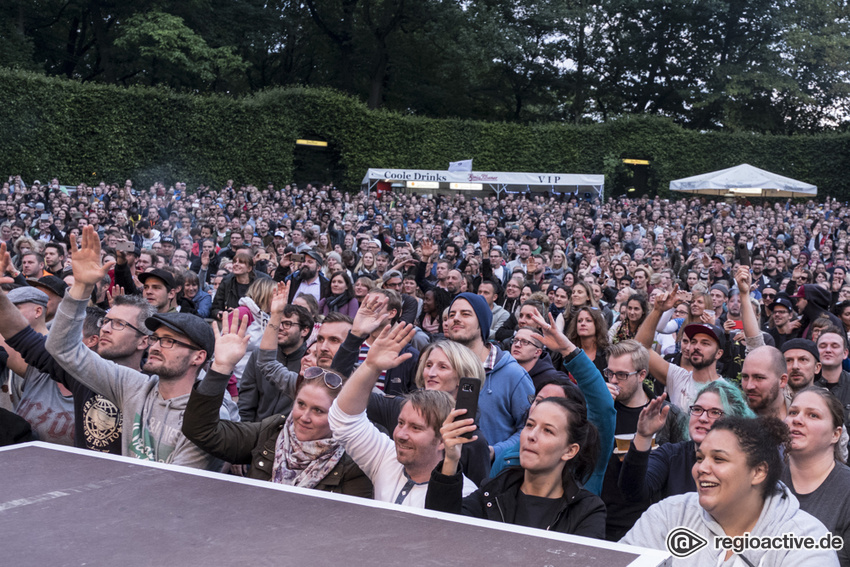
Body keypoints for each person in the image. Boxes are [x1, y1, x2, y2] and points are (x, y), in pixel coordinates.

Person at [45, 226, 224, 469]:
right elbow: (62, 348)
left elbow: (175, 483)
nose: (157, 345)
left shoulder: (208, 416)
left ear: (198, 357)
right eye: (157, 338)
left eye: (169, 341)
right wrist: (80, 288)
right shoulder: (134, 386)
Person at [182, 314, 373, 497]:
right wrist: (220, 368)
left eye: (318, 410)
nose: (304, 417)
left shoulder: (356, 462)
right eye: (300, 404)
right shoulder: (272, 432)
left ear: (339, 415)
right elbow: (201, 431)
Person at [622, 416, 839, 566]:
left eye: (719, 459)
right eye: (699, 458)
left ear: (758, 472)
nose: (701, 468)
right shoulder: (669, 514)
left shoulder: (805, 539)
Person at [329, 320, 477, 507]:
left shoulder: (465, 494)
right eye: (400, 423)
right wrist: (371, 366)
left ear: (443, 440)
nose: (400, 434)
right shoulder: (386, 457)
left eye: (416, 428)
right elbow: (343, 421)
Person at [425, 394, 606, 537]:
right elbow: (441, 530)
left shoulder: (586, 511)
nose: (531, 435)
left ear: (570, 451)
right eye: (529, 425)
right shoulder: (493, 492)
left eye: (548, 431)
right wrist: (451, 459)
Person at [496, 315, 615, 496]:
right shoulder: (507, 458)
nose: (545, 408)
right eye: (540, 400)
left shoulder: (585, 458)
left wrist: (567, 349)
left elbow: (603, 407)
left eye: (555, 403)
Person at [618, 380, 755, 504]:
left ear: (734, 420)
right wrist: (643, 436)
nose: (702, 418)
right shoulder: (670, 455)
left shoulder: (743, 462)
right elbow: (633, 493)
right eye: (697, 409)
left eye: (714, 412)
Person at [443, 292, 534, 458]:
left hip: (490, 475)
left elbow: (530, 428)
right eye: (451, 314)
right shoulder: (439, 369)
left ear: (482, 323)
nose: (455, 318)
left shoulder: (513, 374)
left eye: (465, 314)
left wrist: (494, 452)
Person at [782, 387, 850, 567]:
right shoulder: (763, 480)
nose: (797, 419)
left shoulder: (846, 491)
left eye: (813, 415)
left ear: (835, 434)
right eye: (793, 412)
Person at [237, 304, 313, 422]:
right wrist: (245, 432)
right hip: (256, 431)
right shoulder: (259, 355)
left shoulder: (310, 362)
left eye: (287, 324)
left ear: (304, 330)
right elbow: (246, 401)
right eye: (277, 322)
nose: (280, 327)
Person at [210, 250, 269, 320]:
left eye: (241, 262)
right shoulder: (226, 282)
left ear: (249, 268)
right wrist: (221, 314)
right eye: (234, 262)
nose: (236, 264)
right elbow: (215, 309)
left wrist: (240, 312)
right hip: (231, 324)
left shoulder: (259, 285)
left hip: (254, 325)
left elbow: (265, 310)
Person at [567, 306, 610, 374]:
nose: (583, 324)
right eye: (579, 321)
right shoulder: (569, 352)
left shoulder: (607, 354)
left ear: (597, 325)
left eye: (588, 320)